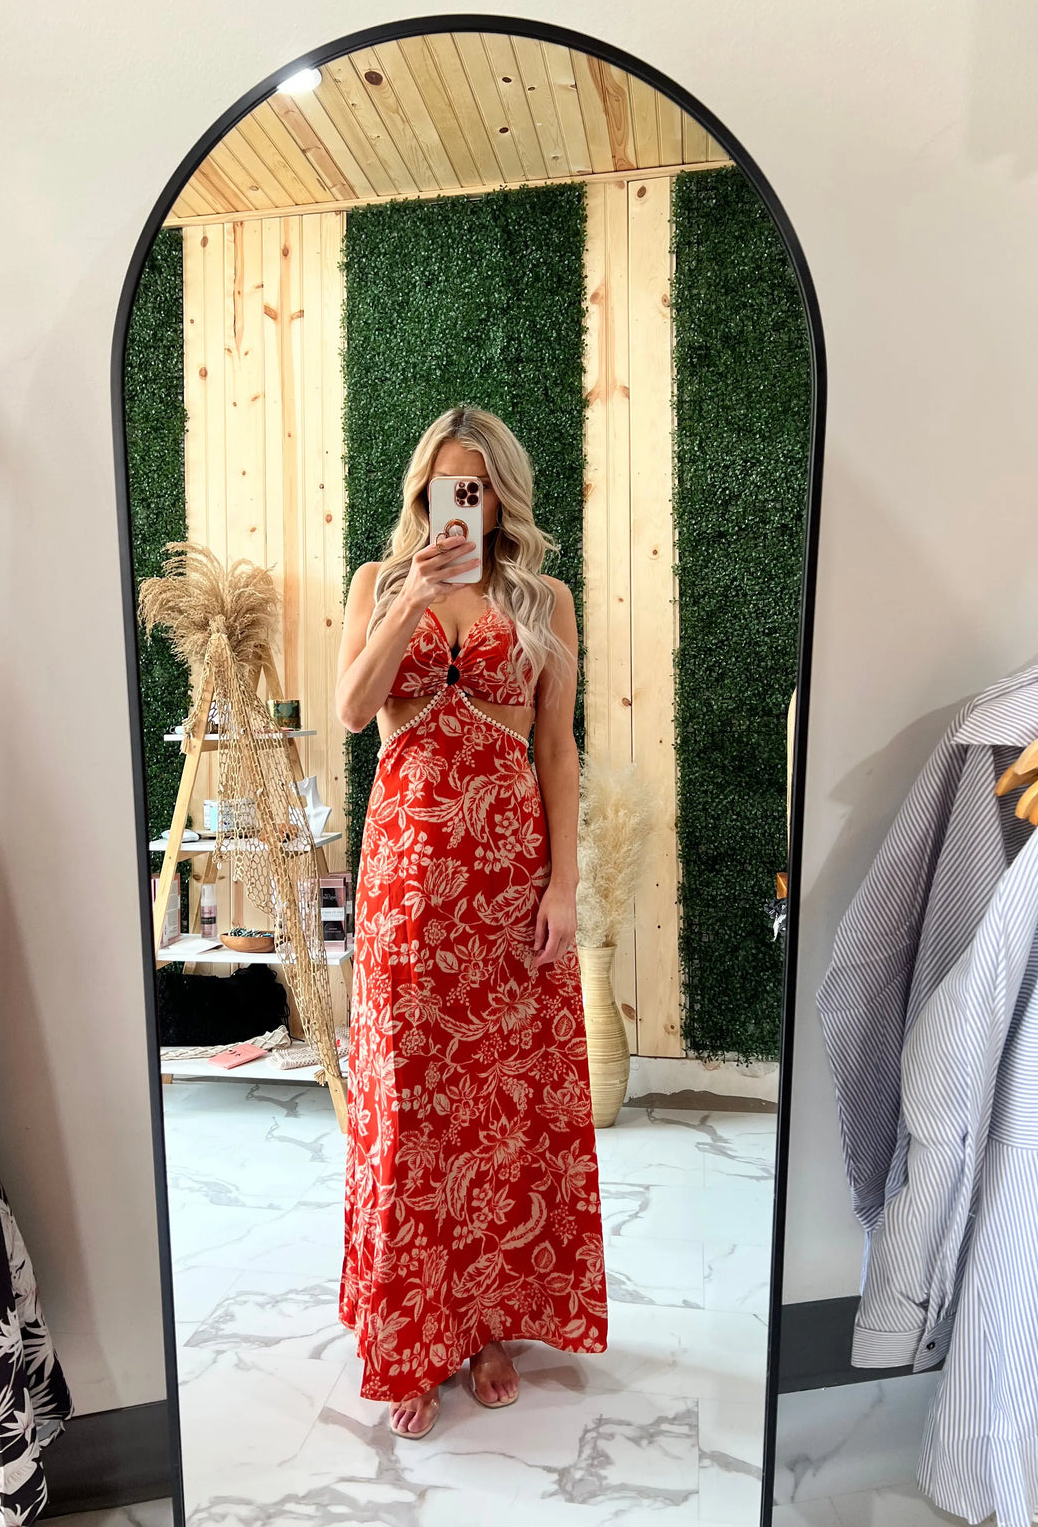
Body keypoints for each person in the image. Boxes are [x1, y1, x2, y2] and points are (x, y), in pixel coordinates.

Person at [334, 405, 608, 1438]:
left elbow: (558, 751)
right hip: (407, 887)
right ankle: (412, 1336)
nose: (462, 503)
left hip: (506, 887)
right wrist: (410, 598)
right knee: (412, 1108)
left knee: (498, 1112)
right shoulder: (378, 582)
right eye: (445, 485)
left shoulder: (543, 598)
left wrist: (563, 887)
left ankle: (488, 1326)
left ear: (501, 497)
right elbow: (353, 711)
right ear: (421, 492)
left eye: (479, 487)